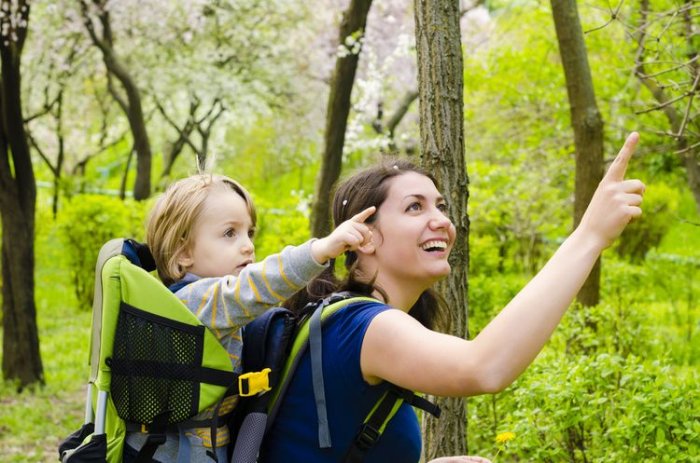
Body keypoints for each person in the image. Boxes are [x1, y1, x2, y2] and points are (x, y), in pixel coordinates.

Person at [261, 133, 645, 462]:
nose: (442, 221)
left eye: (440, 206)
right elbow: (485, 367)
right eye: (415, 207)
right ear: (366, 235)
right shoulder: (363, 326)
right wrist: (589, 236)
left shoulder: (345, 320)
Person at [125, 173, 375, 462]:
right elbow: (253, 289)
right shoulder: (193, 303)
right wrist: (320, 250)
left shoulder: (212, 307)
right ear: (183, 253)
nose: (248, 245)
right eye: (230, 233)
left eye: (249, 233)